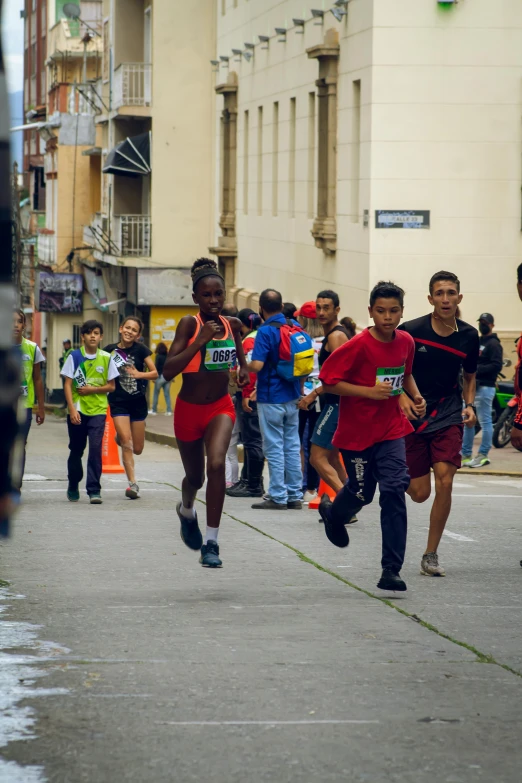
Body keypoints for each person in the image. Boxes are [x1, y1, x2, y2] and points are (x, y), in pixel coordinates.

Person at [318, 282, 425, 592]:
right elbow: (328, 380)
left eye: (393, 311)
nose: (387, 317)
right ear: (370, 312)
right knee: (363, 494)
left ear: (402, 312)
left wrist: (415, 396)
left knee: (394, 489)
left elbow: (404, 374)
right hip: (357, 435)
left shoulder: (405, 341)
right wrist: (368, 392)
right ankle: (334, 514)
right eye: (381, 311)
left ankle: (391, 569)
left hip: (391, 429)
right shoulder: (359, 344)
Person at [163, 259, 249, 568]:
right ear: (195, 297)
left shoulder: (232, 324)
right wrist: (199, 341)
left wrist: (243, 370)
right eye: (207, 295)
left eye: (219, 294)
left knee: (216, 464)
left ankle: (211, 543)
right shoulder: (190, 324)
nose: (214, 301)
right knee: (195, 477)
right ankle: (187, 510)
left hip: (220, 407)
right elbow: (168, 369)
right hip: (189, 410)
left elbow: (239, 350)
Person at [398, 271, 479, 577]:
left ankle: (430, 554)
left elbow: (470, 375)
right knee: (420, 493)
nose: (446, 299)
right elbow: (394, 370)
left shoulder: (470, 336)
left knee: (445, 479)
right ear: (430, 298)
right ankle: (389, 472)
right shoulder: (411, 331)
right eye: (440, 293)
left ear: (459, 297)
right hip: (414, 416)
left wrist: (469, 405)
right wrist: (401, 400)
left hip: (448, 413)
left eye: (451, 293)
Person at [248, 289, 303, 510]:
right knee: (291, 445)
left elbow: (258, 365)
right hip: (292, 396)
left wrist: (245, 367)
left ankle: (278, 496)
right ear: (281, 306)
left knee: (273, 447)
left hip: (271, 396)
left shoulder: (265, 332)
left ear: (261, 308)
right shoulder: (295, 327)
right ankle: (294, 495)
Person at [298, 291, 351, 504]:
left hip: (336, 404)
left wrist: (313, 394)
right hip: (334, 403)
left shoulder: (336, 336)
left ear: (337, 310)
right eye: (318, 307)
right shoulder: (331, 335)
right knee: (330, 457)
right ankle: (352, 496)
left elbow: (341, 375)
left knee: (316, 457)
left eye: (326, 307)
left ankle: (346, 502)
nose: (321, 312)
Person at [61, 320, 119, 504]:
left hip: (98, 411)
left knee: (95, 449)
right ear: (83, 337)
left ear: (101, 337)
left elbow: (111, 386)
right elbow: (68, 384)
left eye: (96, 333)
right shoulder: (74, 356)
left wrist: (92, 390)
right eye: (89, 333)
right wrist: (71, 410)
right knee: (77, 449)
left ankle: (94, 489)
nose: (92, 336)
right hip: (78, 411)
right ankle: (72, 483)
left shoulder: (106, 358)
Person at [104, 317, 158, 500]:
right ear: (120, 328)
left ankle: (120, 435)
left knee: (138, 448)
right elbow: (100, 371)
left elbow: (155, 373)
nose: (129, 331)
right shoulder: (109, 351)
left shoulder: (141, 350)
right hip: (118, 401)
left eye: (134, 330)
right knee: (127, 444)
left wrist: (139, 374)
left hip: (137, 402)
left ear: (138, 335)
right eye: (127, 327)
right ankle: (133, 484)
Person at [226, 309, 265, 498]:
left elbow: (250, 370)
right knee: (252, 441)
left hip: (250, 396)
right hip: (255, 394)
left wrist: (247, 394)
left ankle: (253, 483)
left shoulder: (249, 340)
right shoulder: (258, 335)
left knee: (252, 441)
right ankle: (247, 479)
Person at [462, 313, 503, 468]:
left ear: (492, 325)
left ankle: (483, 454)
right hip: (473, 387)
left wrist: (475, 370)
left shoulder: (494, 344)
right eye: (481, 322)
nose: (482, 325)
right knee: (468, 421)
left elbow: (496, 365)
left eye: (485, 322)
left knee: (485, 421)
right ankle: (465, 455)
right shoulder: (478, 342)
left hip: (486, 387)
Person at [12, 310, 46, 495]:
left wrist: (40, 408)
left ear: (24, 325)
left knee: (20, 444)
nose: (15, 325)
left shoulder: (32, 348)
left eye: (19, 321)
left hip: (24, 406)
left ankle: (16, 485)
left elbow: (37, 379)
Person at [295, 301, 323, 502]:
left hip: (303, 395)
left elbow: (299, 370)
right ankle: (313, 487)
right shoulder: (329, 341)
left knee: (298, 443)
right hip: (323, 395)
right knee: (315, 444)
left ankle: (303, 485)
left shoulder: (301, 340)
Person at [149, 342, 172, 415]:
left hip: (160, 377)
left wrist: (154, 377)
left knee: (156, 393)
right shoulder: (168, 356)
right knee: (167, 394)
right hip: (167, 377)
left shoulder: (158, 356)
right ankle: (169, 411)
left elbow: (156, 367)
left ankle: (154, 410)